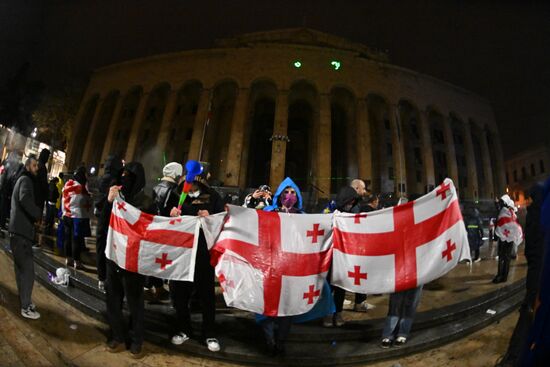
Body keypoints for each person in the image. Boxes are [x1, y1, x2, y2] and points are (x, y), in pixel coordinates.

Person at [105, 162, 156, 358]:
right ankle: (117, 335)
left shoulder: (146, 201)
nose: (125, 179)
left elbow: (152, 230)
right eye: (123, 175)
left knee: (135, 304)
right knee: (113, 299)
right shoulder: (115, 195)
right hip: (114, 257)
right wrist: (109, 202)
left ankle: (136, 340)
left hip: (134, 262)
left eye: (130, 176)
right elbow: (103, 224)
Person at [169, 174, 224, 352]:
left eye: (191, 181)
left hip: (203, 254)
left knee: (206, 295)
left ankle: (209, 333)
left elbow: (224, 220)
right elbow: (160, 218)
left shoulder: (213, 197)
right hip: (181, 253)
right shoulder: (175, 195)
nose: (188, 184)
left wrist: (211, 217)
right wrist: (170, 214)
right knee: (180, 294)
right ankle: (183, 329)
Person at [497, 184, 546, 366]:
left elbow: (532, 251)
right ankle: (514, 357)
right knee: (529, 313)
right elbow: (534, 250)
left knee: (529, 313)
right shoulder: (539, 212)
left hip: (538, 274)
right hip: (540, 276)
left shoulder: (536, 211)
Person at [260, 177, 304, 355]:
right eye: (286, 192)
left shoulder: (302, 217)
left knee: (287, 306)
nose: (289, 195)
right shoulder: (269, 211)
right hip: (271, 266)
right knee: (268, 304)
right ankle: (269, 339)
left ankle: (281, 341)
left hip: (291, 268)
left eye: (293, 192)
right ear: (279, 194)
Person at [9, 156, 42, 319]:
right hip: (21, 233)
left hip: (17, 232)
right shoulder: (26, 180)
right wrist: (37, 214)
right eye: (35, 165)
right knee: (28, 271)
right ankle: (26, 307)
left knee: (21, 270)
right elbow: (24, 199)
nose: (37, 168)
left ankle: (24, 301)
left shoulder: (22, 178)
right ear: (28, 166)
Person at [323, 185, 360, 327]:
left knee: (341, 286)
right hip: (330, 256)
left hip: (344, 256)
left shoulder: (351, 214)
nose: (351, 205)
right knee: (328, 287)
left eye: (353, 202)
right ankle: (327, 313)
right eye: (349, 202)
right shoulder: (330, 209)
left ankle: (338, 313)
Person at [147, 162, 183, 301]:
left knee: (154, 256)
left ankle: (152, 286)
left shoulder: (156, 186)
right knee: (163, 258)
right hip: (168, 228)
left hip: (155, 225)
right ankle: (159, 287)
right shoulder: (174, 190)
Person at [94, 155, 123, 291]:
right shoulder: (115, 180)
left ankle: (101, 278)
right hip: (110, 217)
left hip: (101, 216)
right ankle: (107, 279)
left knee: (100, 247)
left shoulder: (102, 178)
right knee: (109, 248)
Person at [353, 193, 379, 312]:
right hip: (366, 246)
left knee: (358, 275)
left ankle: (359, 301)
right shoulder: (371, 212)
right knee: (362, 275)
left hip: (358, 245)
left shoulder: (360, 209)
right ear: (373, 202)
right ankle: (360, 302)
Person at [61, 167, 91, 269]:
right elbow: (86, 201)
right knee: (76, 240)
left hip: (66, 215)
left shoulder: (67, 185)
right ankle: (76, 262)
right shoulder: (81, 188)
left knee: (67, 238)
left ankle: (68, 258)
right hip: (76, 217)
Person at [493, 194, 523, 284]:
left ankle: (500, 276)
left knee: (503, 257)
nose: (500, 204)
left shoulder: (504, 211)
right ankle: (504, 276)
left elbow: (499, 224)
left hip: (504, 237)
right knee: (506, 257)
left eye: (501, 202)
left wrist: (496, 237)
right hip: (510, 237)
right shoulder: (511, 212)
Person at [35, 148, 50, 222]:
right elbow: (43, 184)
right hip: (38, 197)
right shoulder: (42, 167)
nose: (47, 159)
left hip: (34, 195)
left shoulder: (36, 164)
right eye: (47, 157)